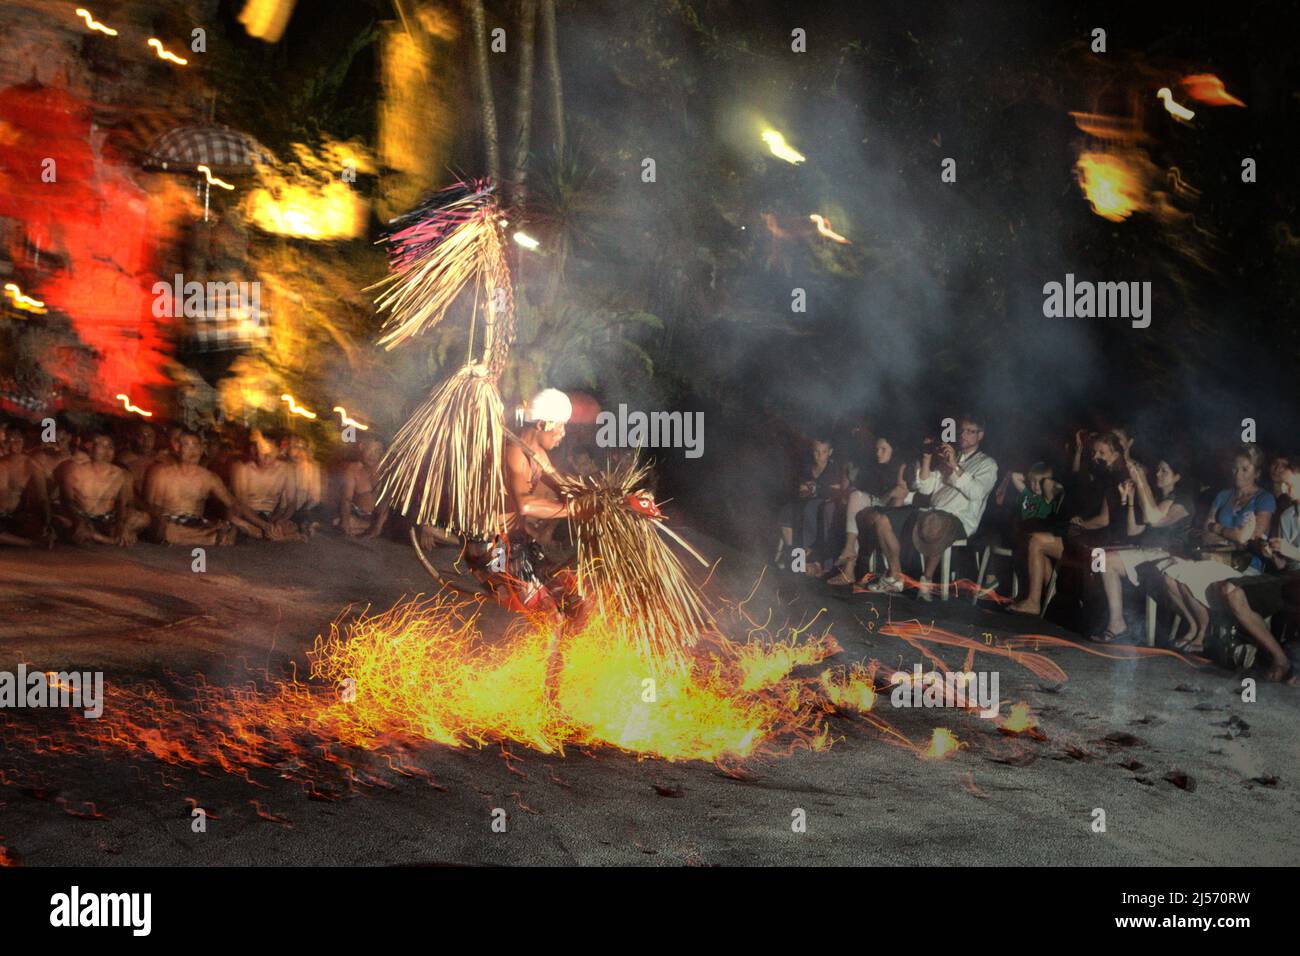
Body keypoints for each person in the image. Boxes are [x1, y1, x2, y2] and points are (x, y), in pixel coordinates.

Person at [862, 414, 998, 595]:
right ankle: (896, 576)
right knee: (882, 520)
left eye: (970, 431)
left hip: (959, 519)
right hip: (929, 512)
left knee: (935, 520)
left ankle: (926, 580)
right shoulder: (950, 457)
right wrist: (926, 459)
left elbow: (977, 493)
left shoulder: (987, 464)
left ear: (980, 435)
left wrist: (955, 466)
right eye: (961, 431)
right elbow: (926, 489)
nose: (963, 435)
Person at [1158, 446, 1276, 652]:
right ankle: (1196, 626)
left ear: (1256, 472)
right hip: (1214, 557)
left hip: (1245, 564)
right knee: (1169, 574)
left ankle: (1202, 633)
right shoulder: (1224, 495)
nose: (1238, 473)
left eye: (1245, 469)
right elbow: (1206, 530)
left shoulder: (1264, 498)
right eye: (1235, 468)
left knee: (1187, 574)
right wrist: (1230, 533)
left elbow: (1251, 539)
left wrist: (1219, 528)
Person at [1009, 432, 1125, 616]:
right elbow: (1076, 476)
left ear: (1116, 455)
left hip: (1098, 543)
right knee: (1036, 539)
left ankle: (1044, 601)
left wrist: (1082, 524)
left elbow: (1104, 520)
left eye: (1101, 453)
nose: (1095, 457)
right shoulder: (1100, 478)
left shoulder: (1115, 481)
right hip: (1084, 537)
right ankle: (1046, 601)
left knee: (1038, 540)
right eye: (1094, 453)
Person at [1208, 466, 1300, 683]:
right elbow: (1281, 566)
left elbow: (1293, 554)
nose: (1285, 490)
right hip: (1290, 578)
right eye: (1282, 484)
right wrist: (1272, 553)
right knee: (1230, 590)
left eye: (1290, 484)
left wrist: (1292, 551)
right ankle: (1280, 658)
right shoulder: (1288, 515)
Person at [1089, 455, 1194, 643]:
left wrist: (1141, 480)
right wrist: (1130, 500)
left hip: (1169, 554)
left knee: (1104, 559)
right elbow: (1133, 530)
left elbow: (1156, 519)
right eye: (1158, 470)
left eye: (1164, 471)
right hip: (1146, 551)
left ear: (1177, 477)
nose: (1158, 474)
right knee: (1100, 558)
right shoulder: (1155, 497)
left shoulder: (1183, 499)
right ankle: (1116, 622)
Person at [144, 430, 273, 545]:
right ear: (177, 448)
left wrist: (264, 525)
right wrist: (162, 523)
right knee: (161, 528)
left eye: (195, 446)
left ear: (201, 449)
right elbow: (150, 507)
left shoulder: (209, 478)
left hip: (194, 523)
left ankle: (203, 538)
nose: (192, 451)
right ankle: (200, 538)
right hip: (167, 522)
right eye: (187, 445)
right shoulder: (161, 473)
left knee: (225, 529)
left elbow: (233, 503)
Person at [829, 433, 906, 585]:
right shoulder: (876, 467)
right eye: (877, 449)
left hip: (896, 516)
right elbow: (874, 494)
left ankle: (849, 569)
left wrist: (889, 494)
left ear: (894, 450)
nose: (878, 453)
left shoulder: (902, 468)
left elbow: (895, 508)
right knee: (856, 496)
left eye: (883, 449)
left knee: (857, 508)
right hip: (878, 507)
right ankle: (849, 550)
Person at [56, 433, 150, 546]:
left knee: (143, 518)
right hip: (79, 517)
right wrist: (80, 521)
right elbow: (67, 501)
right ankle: (107, 539)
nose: (107, 451)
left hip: (106, 520)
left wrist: (121, 526)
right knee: (63, 522)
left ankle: (100, 537)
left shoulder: (122, 475)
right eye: (102, 446)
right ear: (90, 448)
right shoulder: (74, 469)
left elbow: (124, 504)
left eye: (110, 447)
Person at [774, 436, 845, 571]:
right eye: (816, 452)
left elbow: (836, 491)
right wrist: (807, 490)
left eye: (823, 452)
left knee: (809, 510)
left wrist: (816, 488)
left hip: (826, 505)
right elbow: (802, 490)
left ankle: (813, 560)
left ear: (830, 452)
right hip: (806, 502)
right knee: (788, 510)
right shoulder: (808, 468)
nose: (819, 456)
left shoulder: (834, 468)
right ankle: (794, 555)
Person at [230, 430, 302, 541]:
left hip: (272, 516)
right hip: (248, 516)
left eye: (271, 453)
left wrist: (280, 520)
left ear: (278, 451)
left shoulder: (287, 469)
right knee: (232, 517)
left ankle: (270, 534)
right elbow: (241, 504)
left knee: (293, 524)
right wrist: (264, 525)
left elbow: (292, 503)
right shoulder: (243, 469)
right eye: (263, 452)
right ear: (255, 450)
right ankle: (270, 534)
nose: (267, 457)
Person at [0, 424, 52, 546]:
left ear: (24, 441)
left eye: (19, 439)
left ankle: (28, 541)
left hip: (16, 516)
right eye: (11, 439)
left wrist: (47, 523)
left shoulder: (31, 465)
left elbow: (42, 498)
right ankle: (28, 543)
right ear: (5, 440)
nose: (15, 443)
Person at [338, 437, 390, 538]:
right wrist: (345, 522)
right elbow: (346, 499)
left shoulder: (385, 471)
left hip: (379, 518)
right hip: (358, 515)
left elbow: (386, 502)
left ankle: (370, 527)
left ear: (382, 454)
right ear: (362, 447)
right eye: (370, 450)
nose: (373, 455)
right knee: (347, 522)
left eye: (377, 451)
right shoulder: (353, 469)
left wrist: (378, 526)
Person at [285, 434, 325, 537]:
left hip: (304, 509)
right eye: (294, 447)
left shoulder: (312, 469)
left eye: (302, 448)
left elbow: (315, 498)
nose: (298, 452)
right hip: (285, 510)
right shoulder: (284, 466)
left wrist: (303, 511)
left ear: (308, 450)